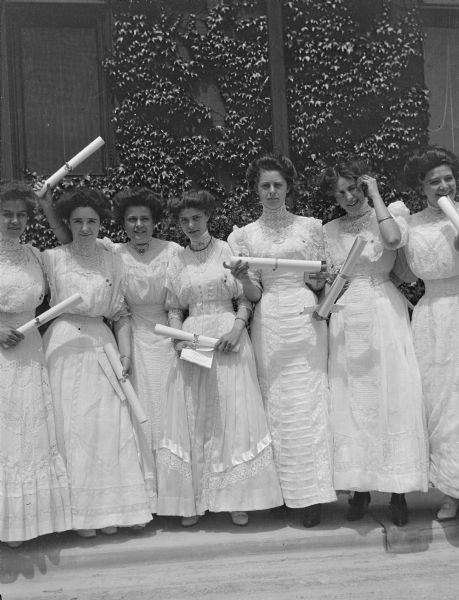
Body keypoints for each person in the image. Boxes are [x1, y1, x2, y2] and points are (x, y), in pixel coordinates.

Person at [160, 189, 283, 527]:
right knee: (197, 413)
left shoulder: (228, 250)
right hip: (194, 338)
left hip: (229, 337)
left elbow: (248, 297)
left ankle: (236, 499)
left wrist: (237, 328)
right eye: (184, 221)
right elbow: (173, 307)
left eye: (196, 218)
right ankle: (196, 499)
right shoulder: (177, 260)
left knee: (232, 411)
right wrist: (178, 341)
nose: (190, 225)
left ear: (207, 216)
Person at [318, 160, 428, 527]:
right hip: (347, 315)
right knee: (352, 400)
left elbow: (393, 241)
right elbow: (328, 279)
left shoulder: (391, 212)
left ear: (364, 185)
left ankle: (397, 491)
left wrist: (377, 195)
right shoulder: (329, 230)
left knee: (392, 395)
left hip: (384, 311)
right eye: (340, 192)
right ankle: (359, 489)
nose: (348, 197)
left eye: (353, 188)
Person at [228, 155, 336, 528]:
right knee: (276, 401)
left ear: (289, 187)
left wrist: (321, 280)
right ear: (255, 190)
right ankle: (283, 492)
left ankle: (313, 495)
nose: (272, 191)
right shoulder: (243, 236)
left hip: (306, 318)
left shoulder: (311, 227)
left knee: (309, 401)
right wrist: (243, 278)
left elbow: (320, 283)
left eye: (277, 184)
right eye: (264, 185)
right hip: (270, 320)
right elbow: (253, 294)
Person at [41, 187, 153, 538]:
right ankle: (79, 515)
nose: (85, 228)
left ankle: (111, 511)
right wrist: (44, 203)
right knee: (71, 427)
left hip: (102, 346)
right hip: (63, 345)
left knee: (107, 426)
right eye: (78, 222)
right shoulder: (52, 258)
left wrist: (125, 354)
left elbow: (119, 313)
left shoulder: (111, 259)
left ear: (101, 223)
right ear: (68, 224)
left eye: (92, 221)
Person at [0, 182, 71, 548]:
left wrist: (47, 205)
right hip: (1, 353)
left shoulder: (34, 255)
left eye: (21, 214)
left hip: (30, 351)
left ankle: (28, 520)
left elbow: (67, 244)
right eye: (7, 213)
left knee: (30, 430)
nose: (15, 220)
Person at [402, 147, 459, 521]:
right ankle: (451, 491)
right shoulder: (410, 224)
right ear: (421, 187)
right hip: (432, 314)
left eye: (448, 178)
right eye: (434, 180)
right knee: (440, 402)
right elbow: (405, 274)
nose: (443, 185)